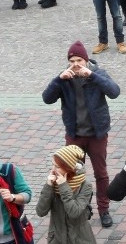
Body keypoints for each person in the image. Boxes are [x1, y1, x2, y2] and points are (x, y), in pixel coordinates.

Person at [42, 41, 121, 228]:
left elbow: (114, 92)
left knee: (101, 173)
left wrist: (92, 76)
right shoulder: (65, 78)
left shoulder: (97, 74)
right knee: (73, 172)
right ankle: (81, 208)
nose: (76, 64)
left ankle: (104, 210)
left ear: (86, 60)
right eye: (72, 60)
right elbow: (47, 98)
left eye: (79, 60)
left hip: (97, 133)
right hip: (75, 134)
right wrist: (59, 80)